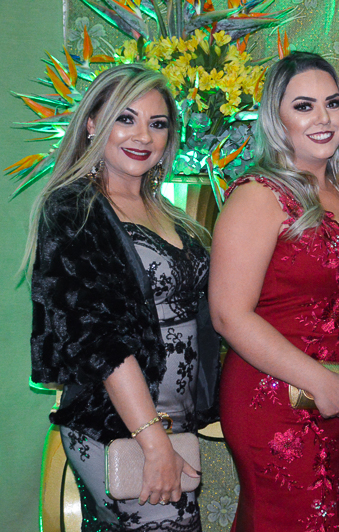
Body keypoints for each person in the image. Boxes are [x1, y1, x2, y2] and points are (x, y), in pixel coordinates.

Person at [27, 63, 220, 531]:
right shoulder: (74, 208)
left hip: (173, 426)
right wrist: (153, 443)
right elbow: (98, 339)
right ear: (93, 123)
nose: (143, 136)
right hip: (114, 427)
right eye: (125, 118)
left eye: (158, 123)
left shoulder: (171, 213)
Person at [209, 52, 339, 532]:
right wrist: (317, 380)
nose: (323, 118)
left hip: (338, 394)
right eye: (304, 106)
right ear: (276, 118)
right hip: (275, 395)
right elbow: (228, 314)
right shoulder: (258, 194)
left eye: (333, 103)